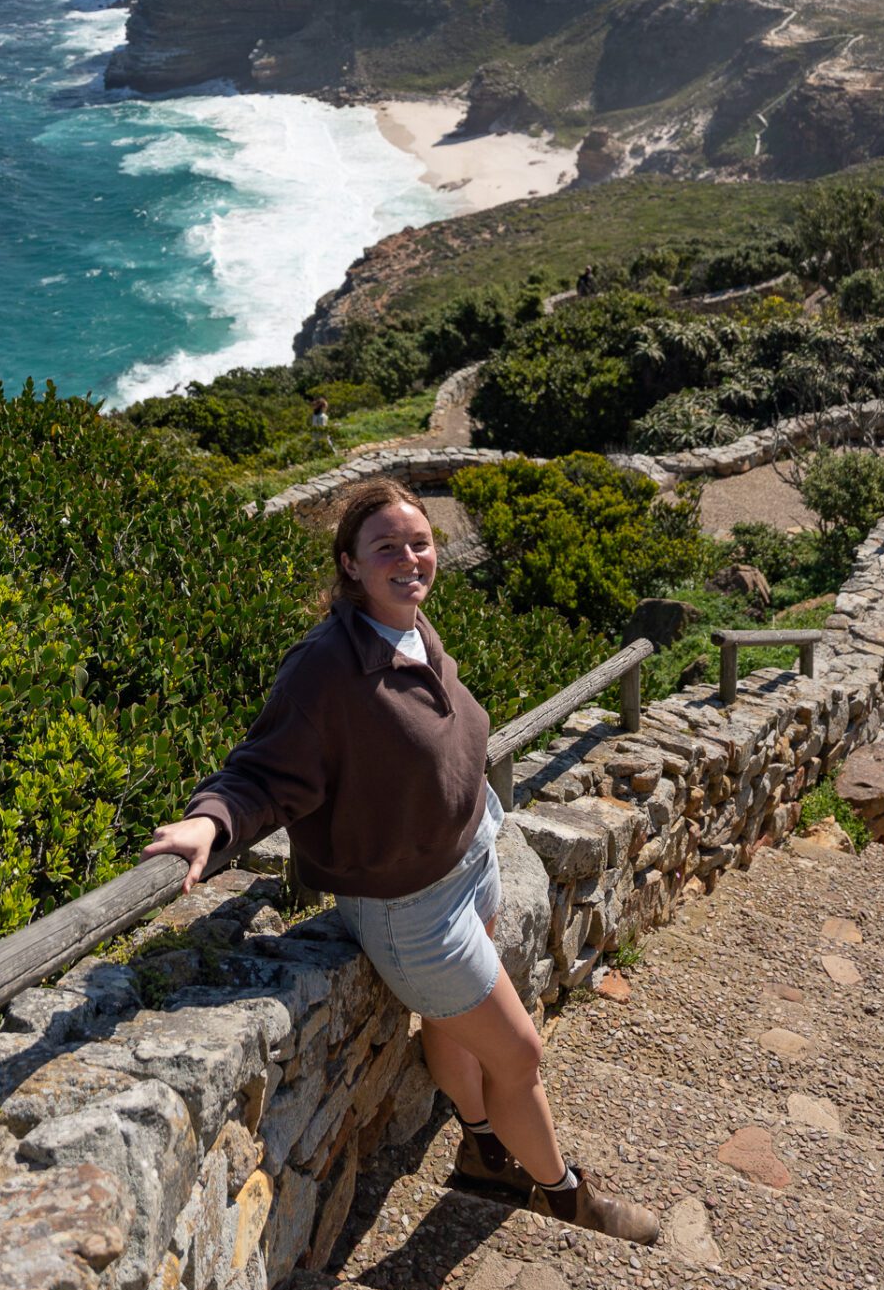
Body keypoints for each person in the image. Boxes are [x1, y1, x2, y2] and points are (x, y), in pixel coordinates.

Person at [142, 474, 660, 1243]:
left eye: (419, 543)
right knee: (519, 1057)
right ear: (349, 563)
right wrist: (209, 822)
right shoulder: (326, 666)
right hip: (414, 913)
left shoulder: (411, 625)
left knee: (452, 1029)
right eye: (386, 547)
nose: (409, 558)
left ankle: (483, 1149)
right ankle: (564, 1197)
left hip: (467, 863)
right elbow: (264, 769)